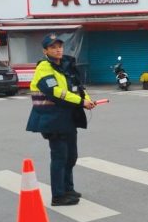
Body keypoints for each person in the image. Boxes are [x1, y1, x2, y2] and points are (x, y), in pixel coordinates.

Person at [26, 34, 96, 206]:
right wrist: (81, 102)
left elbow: (77, 87)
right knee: (60, 157)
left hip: (68, 117)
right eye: (53, 47)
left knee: (71, 156)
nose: (58, 50)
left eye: (60, 46)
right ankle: (58, 196)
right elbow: (55, 91)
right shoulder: (44, 67)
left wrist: (87, 100)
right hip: (52, 118)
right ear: (45, 51)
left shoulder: (65, 65)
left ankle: (68, 189)